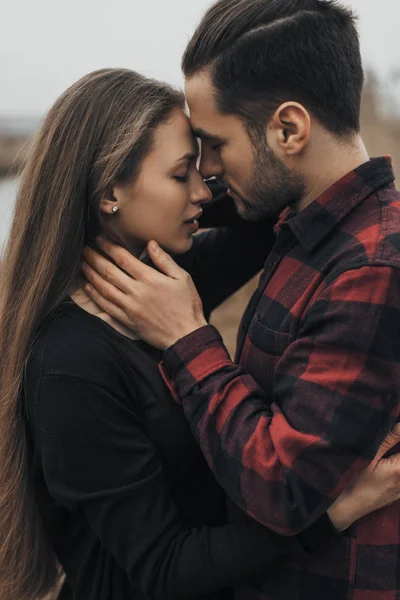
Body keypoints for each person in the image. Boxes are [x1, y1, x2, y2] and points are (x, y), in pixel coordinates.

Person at [2, 67, 395, 600]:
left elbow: (271, 206)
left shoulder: (164, 287)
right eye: (181, 173)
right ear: (109, 191)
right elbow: (164, 570)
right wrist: (331, 513)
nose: (204, 193)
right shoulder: (70, 363)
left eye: (206, 168)